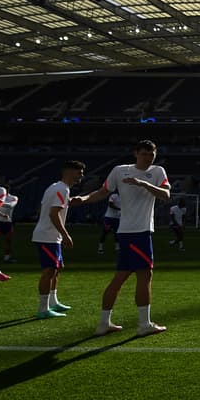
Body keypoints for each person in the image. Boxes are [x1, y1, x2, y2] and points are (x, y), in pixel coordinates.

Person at [83, 140, 172, 336]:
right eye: (144, 154)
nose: (148, 158)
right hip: (136, 233)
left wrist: (143, 183)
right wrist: (83, 199)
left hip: (129, 233)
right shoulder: (120, 170)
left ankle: (104, 323)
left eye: (151, 154)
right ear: (135, 153)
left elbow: (166, 195)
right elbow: (103, 192)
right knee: (144, 276)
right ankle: (144, 325)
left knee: (120, 277)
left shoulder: (158, 172)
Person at [31, 160, 88, 320]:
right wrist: (65, 234)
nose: (81, 176)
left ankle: (53, 301)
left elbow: (46, 208)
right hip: (48, 236)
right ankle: (43, 308)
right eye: (79, 172)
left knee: (56, 269)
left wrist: (68, 203)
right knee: (49, 271)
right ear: (69, 172)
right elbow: (53, 213)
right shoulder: (61, 189)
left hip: (50, 235)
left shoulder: (57, 188)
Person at [0, 181, 19, 263]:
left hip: (8, 222)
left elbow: (10, 205)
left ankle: (7, 257)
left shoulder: (13, 198)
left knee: (8, 241)